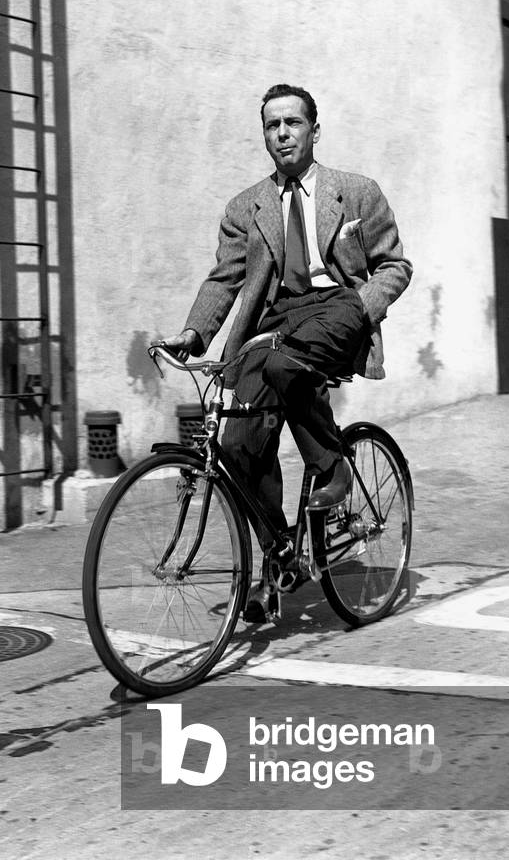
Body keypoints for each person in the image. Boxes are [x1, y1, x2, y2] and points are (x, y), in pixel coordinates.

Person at [164, 84, 412, 621]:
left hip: (339, 307)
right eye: (272, 126)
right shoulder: (245, 208)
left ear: (313, 131)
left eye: (293, 123)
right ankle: (279, 559)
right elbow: (224, 280)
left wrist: (364, 307)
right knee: (237, 445)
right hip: (276, 322)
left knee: (285, 365)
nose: (282, 134)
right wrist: (194, 334)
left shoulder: (357, 192)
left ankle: (334, 467)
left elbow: (395, 266)